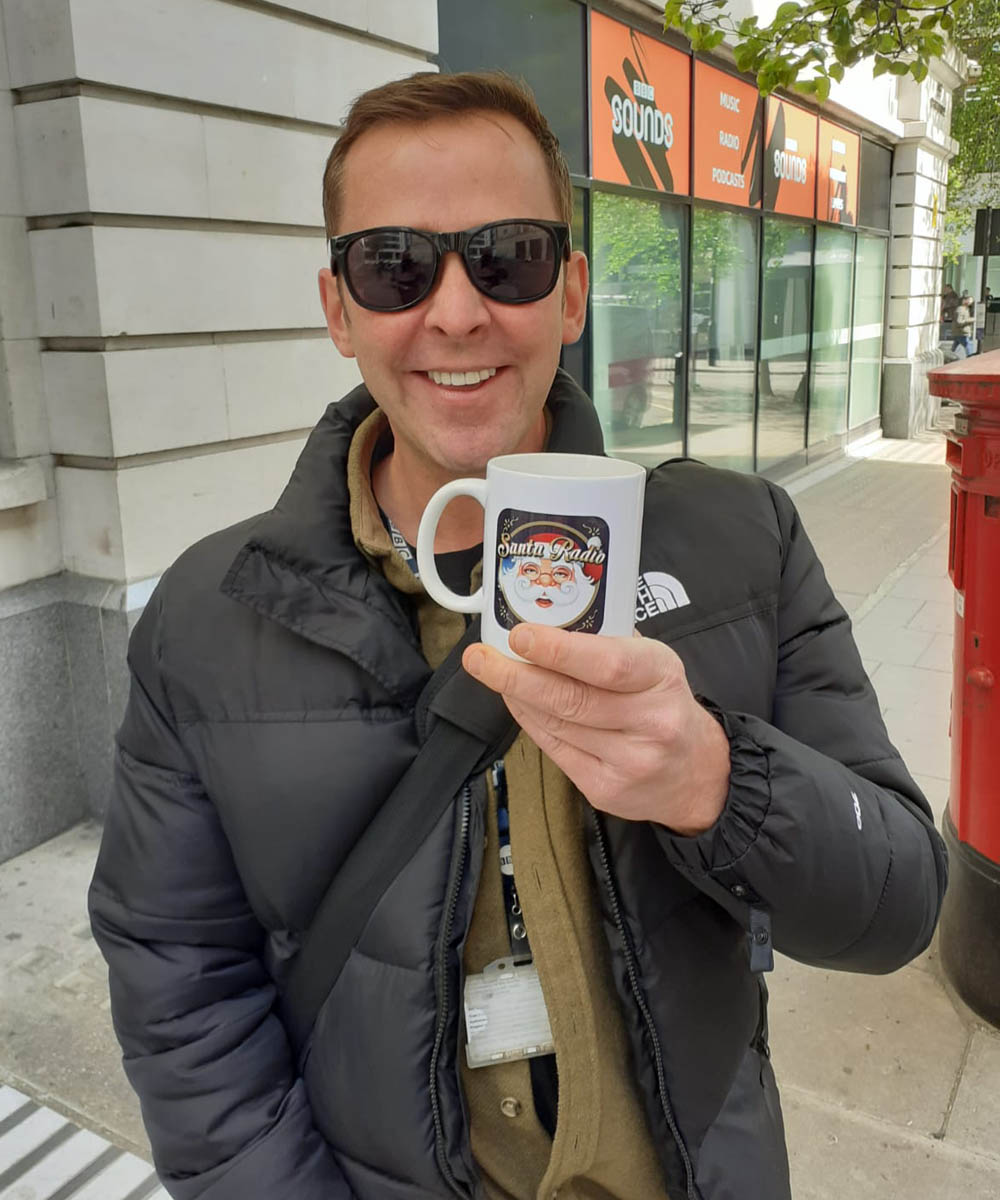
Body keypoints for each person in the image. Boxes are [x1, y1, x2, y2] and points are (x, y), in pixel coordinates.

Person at [88, 71, 947, 1200]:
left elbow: (895, 907)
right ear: (339, 307)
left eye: (508, 257)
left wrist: (716, 778)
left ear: (572, 292)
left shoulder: (743, 540)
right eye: (394, 265)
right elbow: (181, 987)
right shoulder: (208, 617)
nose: (454, 312)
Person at [952, 291, 976, 356]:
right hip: (961, 332)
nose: (970, 303)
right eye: (969, 301)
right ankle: (970, 358)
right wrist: (971, 320)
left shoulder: (966, 309)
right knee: (969, 345)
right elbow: (959, 322)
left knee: (954, 347)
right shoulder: (960, 309)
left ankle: (949, 355)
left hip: (961, 332)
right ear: (965, 301)